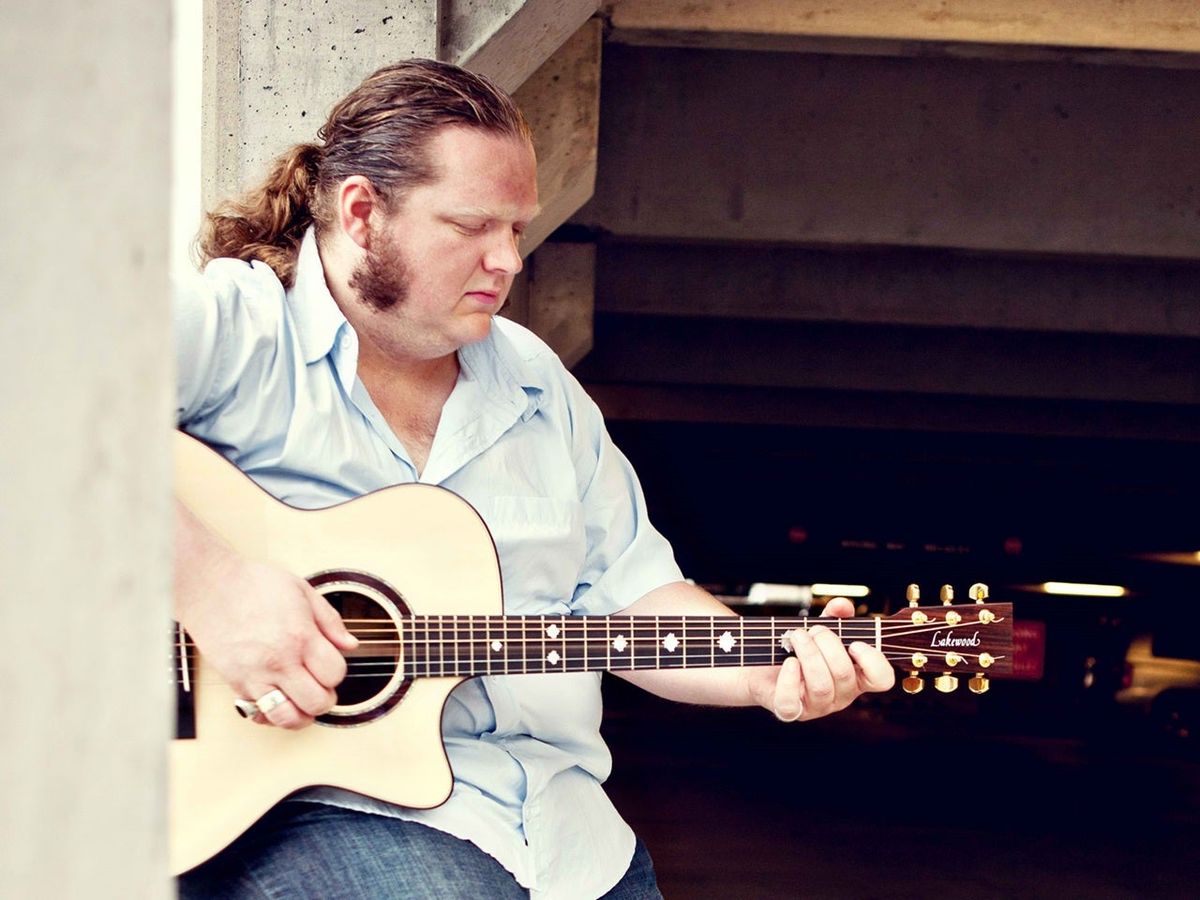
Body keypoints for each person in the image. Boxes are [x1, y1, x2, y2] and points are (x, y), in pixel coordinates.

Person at [173, 58, 896, 899]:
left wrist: (764, 672)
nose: (509, 260)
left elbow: (629, 592)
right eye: (473, 225)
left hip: (562, 831)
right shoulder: (238, 328)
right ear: (362, 213)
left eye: (516, 228)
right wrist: (215, 588)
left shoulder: (538, 385)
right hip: (317, 810)